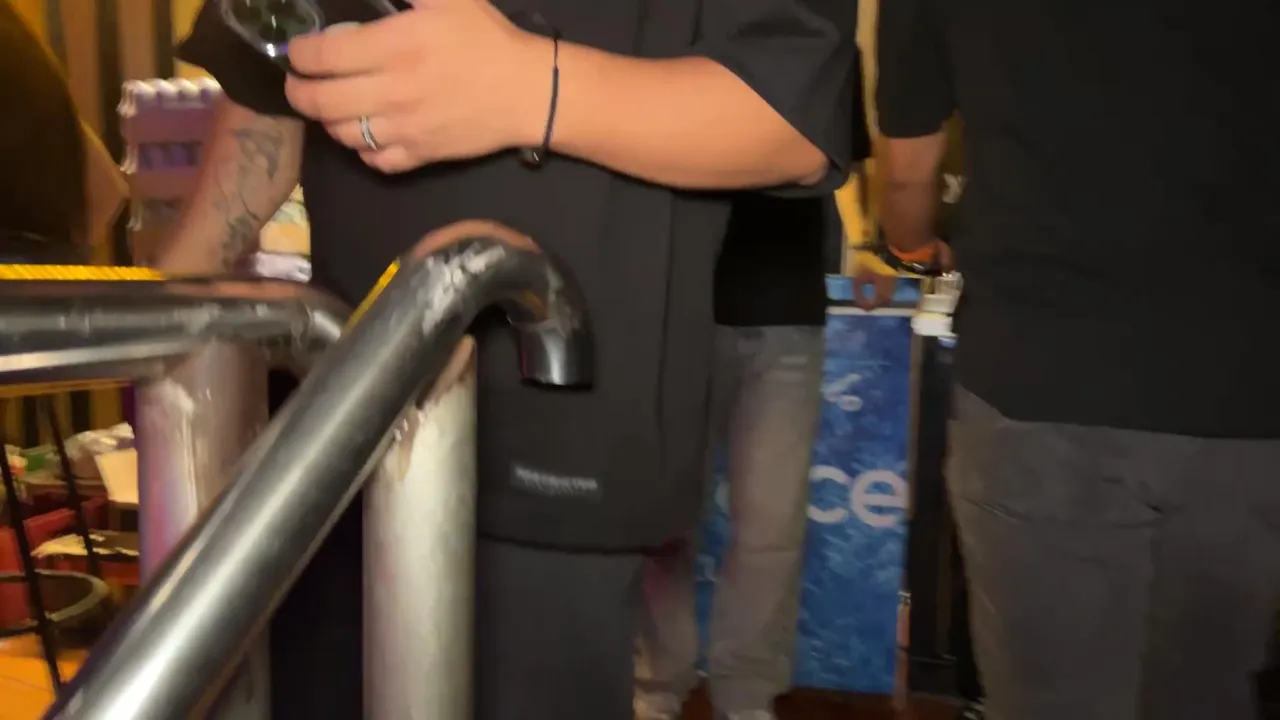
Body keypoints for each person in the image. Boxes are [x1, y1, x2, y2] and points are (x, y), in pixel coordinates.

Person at [165, 0, 860, 717]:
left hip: (557, 434)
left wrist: (533, 86)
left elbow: (790, 113)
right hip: (339, 430)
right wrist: (162, 312)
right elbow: (267, 85)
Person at [875, 0, 1280, 718]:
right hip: (1248, 393)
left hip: (1041, 381)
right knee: (1208, 696)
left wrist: (909, 243)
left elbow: (909, 173)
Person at [635, 75, 870, 717]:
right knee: (664, 519)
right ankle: (656, 688)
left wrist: (868, 247)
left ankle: (747, 696)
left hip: (787, 309)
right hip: (680, 307)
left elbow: (849, 162)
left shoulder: (824, 40)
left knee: (770, 527)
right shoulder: (678, 32)